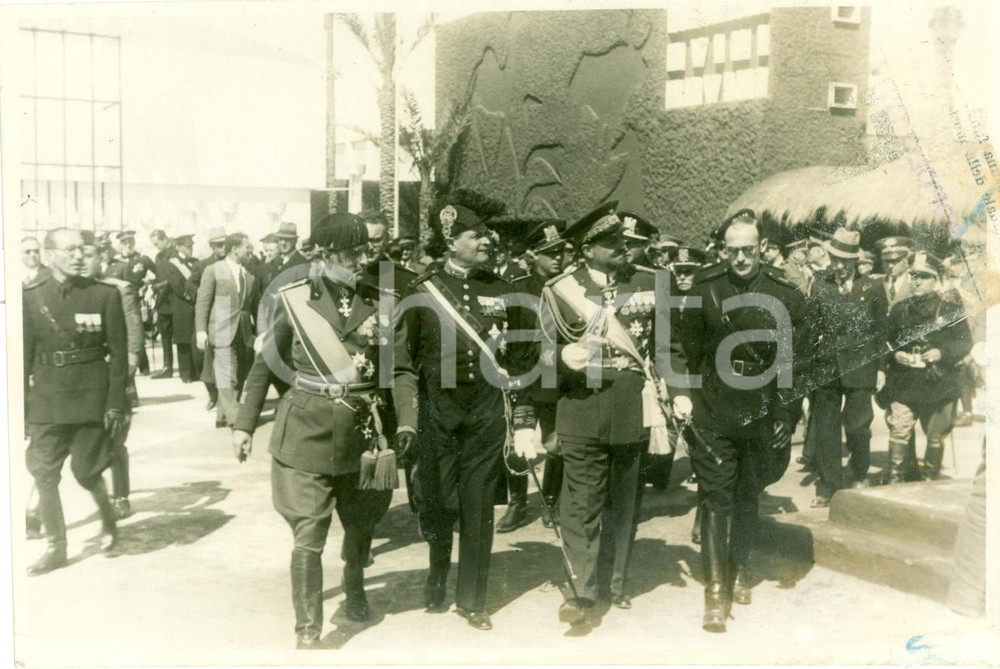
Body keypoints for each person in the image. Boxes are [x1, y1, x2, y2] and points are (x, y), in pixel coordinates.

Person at [232, 213, 418, 648]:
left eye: (364, 251)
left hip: (364, 434)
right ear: (325, 254)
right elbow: (265, 365)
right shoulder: (293, 300)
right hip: (305, 432)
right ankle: (308, 630)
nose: (361, 260)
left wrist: (408, 419)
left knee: (361, 524)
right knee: (308, 533)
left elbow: (401, 371)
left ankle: (354, 583)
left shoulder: (385, 303)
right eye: (352, 253)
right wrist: (244, 424)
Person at [668, 209, 808, 633]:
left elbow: (795, 362)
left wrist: (786, 413)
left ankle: (740, 566)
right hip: (713, 408)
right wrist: (683, 396)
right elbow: (684, 349)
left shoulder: (784, 294)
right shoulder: (706, 288)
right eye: (734, 251)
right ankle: (715, 591)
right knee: (716, 496)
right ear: (724, 251)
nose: (741, 258)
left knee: (747, 494)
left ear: (762, 248)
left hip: (761, 412)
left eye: (748, 250)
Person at [541, 201, 663, 626]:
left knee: (624, 502)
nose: (622, 247)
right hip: (580, 407)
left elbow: (667, 349)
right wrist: (563, 359)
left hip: (631, 405)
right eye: (611, 242)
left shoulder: (650, 283)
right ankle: (581, 592)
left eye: (622, 240)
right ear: (587, 249)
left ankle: (615, 582)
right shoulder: (559, 290)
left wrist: (678, 395)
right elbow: (540, 357)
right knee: (580, 505)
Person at [403, 192, 512, 631]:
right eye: (475, 235)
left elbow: (520, 354)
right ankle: (437, 566)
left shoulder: (500, 289)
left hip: (485, 412)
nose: (486, 241)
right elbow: (406, 360)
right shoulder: (421, 291)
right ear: (451, 242)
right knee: (438, 501)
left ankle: (472, 599)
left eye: (486, 234)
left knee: (478, 504)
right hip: (438, 412)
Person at [23, 228, 128, 575]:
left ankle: (108, 519)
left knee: (86, 471)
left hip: (90, 398)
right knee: (44, 473)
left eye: (81, 249)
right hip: (47, 400)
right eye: (70, 250)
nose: (79, 256)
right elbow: (21, 358)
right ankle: (57, 547)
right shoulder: (31, 298)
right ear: (49, 255)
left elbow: (119, 356)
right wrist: (21, 408)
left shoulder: (104, 295)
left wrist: (115, 403)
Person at [807, 229, 887, 505]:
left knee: (858, 427)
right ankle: (828, 487)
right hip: (827, 367)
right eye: (835, 259)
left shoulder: (872, 287)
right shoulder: (820, 286)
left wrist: (881, 368)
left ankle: (859, 474)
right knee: (826, 430)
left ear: (855, 260)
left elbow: (881, 331)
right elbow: (811, 329)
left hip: (861, 367)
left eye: (845, 260)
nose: (839, 265)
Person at [498, 219, 569, 533]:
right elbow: (509, 338)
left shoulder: (569, 288)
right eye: (550, 252)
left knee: (557, 443)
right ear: (532, 255)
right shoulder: (517, 289)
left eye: (561, 251)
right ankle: (517, 503)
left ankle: (551, 500)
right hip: (524, 379)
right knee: (517, 443)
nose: (558, 257)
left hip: (558, 379)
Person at [883, 252, 971, 482]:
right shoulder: (899, 309)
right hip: (905, 382)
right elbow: (886, 342)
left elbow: (964, 342)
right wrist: (895, 354)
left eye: (923, 276)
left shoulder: (950, 309)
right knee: (899, 431)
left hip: (938, 382)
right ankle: (894, 480)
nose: (917, 281)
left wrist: (942, 352)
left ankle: (930, 481)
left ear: (935, 280)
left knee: (935, 436)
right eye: (913, 276)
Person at [81, 231, 143, 518]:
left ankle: (121, 495)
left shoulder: (118, 289)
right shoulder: (71, 291)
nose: (82, 260)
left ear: (101, 258)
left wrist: (125, 374)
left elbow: (133, 336)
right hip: (82, 379)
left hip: (112, 375)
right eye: (78, 254)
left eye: (89, 255)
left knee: (115, 437)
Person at [195, 233, 259, 428]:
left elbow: (254, 307)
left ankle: (222, 415)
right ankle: (236, 420)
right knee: (227, 375)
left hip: (244, 332)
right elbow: (203, 302)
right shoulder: (215, 270)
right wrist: (201, 330)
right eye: (247, 247)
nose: (250, 251)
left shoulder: (249, 275)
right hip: (221, 330)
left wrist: (260, 333)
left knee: (239, 375)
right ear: (235, 249)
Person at [186, 227, 228, 412]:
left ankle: (225, 398)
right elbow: (189, 284)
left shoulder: (233, 263)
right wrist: (204, 293)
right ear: (211, 246)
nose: (222, 247)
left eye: (224, 244)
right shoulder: (202, 265)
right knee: (200, 357)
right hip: (207, 316)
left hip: (227, 318)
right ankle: (213, 394)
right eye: (218, 245)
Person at [115, 230, 157, 374]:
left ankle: (144, 367)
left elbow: (159, 273)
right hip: (118, 300)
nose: (128, 245)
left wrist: (149, 283)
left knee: (136, 332)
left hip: (135, 300)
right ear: (121, 244)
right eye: (125, 242)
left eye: (131, 241)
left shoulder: (142, 259)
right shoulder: (114, 261)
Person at [162, 234, 198, 383]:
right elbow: (178, 287)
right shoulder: (172, 264)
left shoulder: (195, 262)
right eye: (187, 246)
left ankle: (196, 371)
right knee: (183, 339)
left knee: (195, 338)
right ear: (178, 247)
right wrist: (195, 296)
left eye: (191, 246)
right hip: (183, 305)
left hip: (195, 305)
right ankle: (186, 373)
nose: (191, 249)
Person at [149, 230, 177, 378]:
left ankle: (188, 368)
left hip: (177, 300)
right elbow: (160, 276)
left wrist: (165, 283)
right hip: (163, 302)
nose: (157, 247)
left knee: (182, 336)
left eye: (157, 243)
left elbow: (178, 277)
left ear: (165, 239)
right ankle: (167, 367)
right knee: (165, 336)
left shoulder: (176, 254)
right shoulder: (158, 257)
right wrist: (153, 283)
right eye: (154, 244)